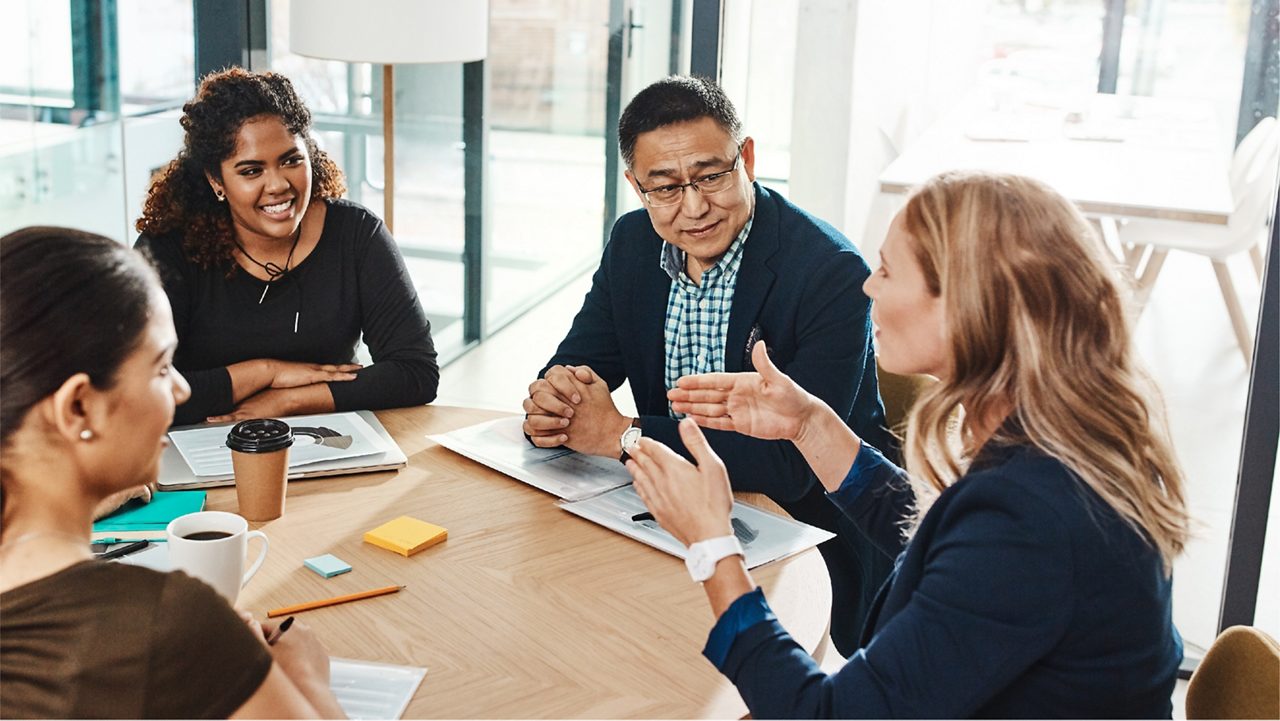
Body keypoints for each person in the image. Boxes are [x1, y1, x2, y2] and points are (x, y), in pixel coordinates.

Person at [625, 171, 1190, 717]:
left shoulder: (1032, 519)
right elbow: (946, 540)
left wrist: (712, 546)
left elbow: (826, 715)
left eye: (888, 271)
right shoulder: (1058, 438)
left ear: (965, 305)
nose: (868, 285)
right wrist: (809, 426)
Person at [521, 75, 895, 654]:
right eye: (664, 187)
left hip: (803, 537)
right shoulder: (633, 243)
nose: (693, 207)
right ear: (635, 184)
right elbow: (582, 360)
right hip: (664, 520)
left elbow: (794, 465)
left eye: (711, 176)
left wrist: (624, 436)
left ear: (746, 157)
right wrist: (557, 400)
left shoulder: (830, 271)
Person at [0, 226, 346, 719]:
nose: (182, 390)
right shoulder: (166, 623)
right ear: (78, 407)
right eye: (162, 369)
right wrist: (308, 678)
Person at [135, 67, 438, 426]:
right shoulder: (167, 249)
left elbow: (416, 373)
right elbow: (136, 393)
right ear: (216, 180)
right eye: (251, 171)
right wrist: (265, 373)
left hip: (327, 441)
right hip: (198, 446)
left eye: (291, 160)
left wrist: (288, 402)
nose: (278, 185)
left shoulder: (356, 234)